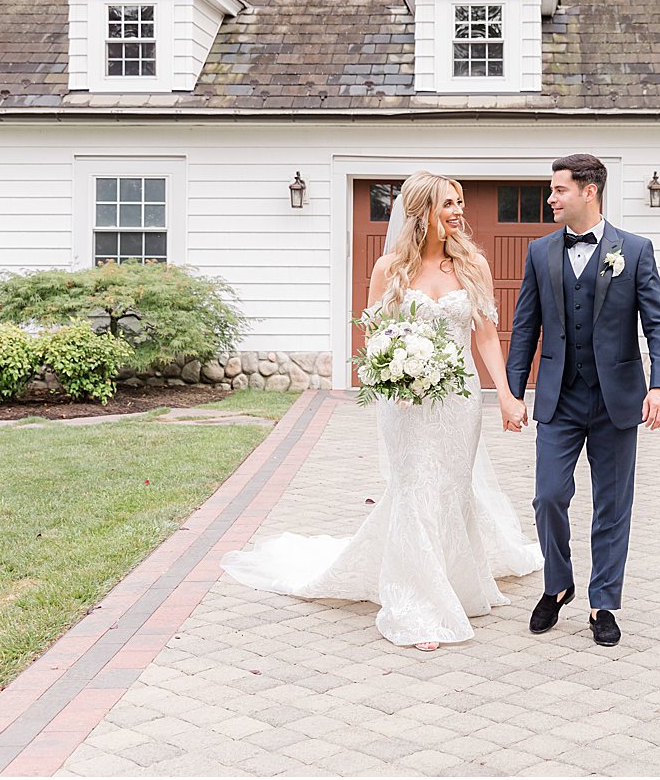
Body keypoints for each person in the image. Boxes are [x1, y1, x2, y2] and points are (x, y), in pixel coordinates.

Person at [221, 171, 541, 650]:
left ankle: (454, 579)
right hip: (406, 401)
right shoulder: (389, 268)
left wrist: (508, 397)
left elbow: (485, 337)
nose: (458, 212)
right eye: (448, 204)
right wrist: (395, 368)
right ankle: (419, 602)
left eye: (460, 203)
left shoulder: (473, 264)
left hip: (458, 400)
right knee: (414, 487)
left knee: (451, 488)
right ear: (421, 211)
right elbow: (373, 336)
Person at [503, 153, 660, 647]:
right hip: (559, 399)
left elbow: (658, 323)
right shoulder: (540, 253)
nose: (551, 198)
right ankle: (558, 586)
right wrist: (513, 393)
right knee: (549, 497)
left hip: (616, 400)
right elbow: (525, 327)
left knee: (612, 505)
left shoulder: (635, 251)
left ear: (589, 191)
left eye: (559, 190)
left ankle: (604, 602)